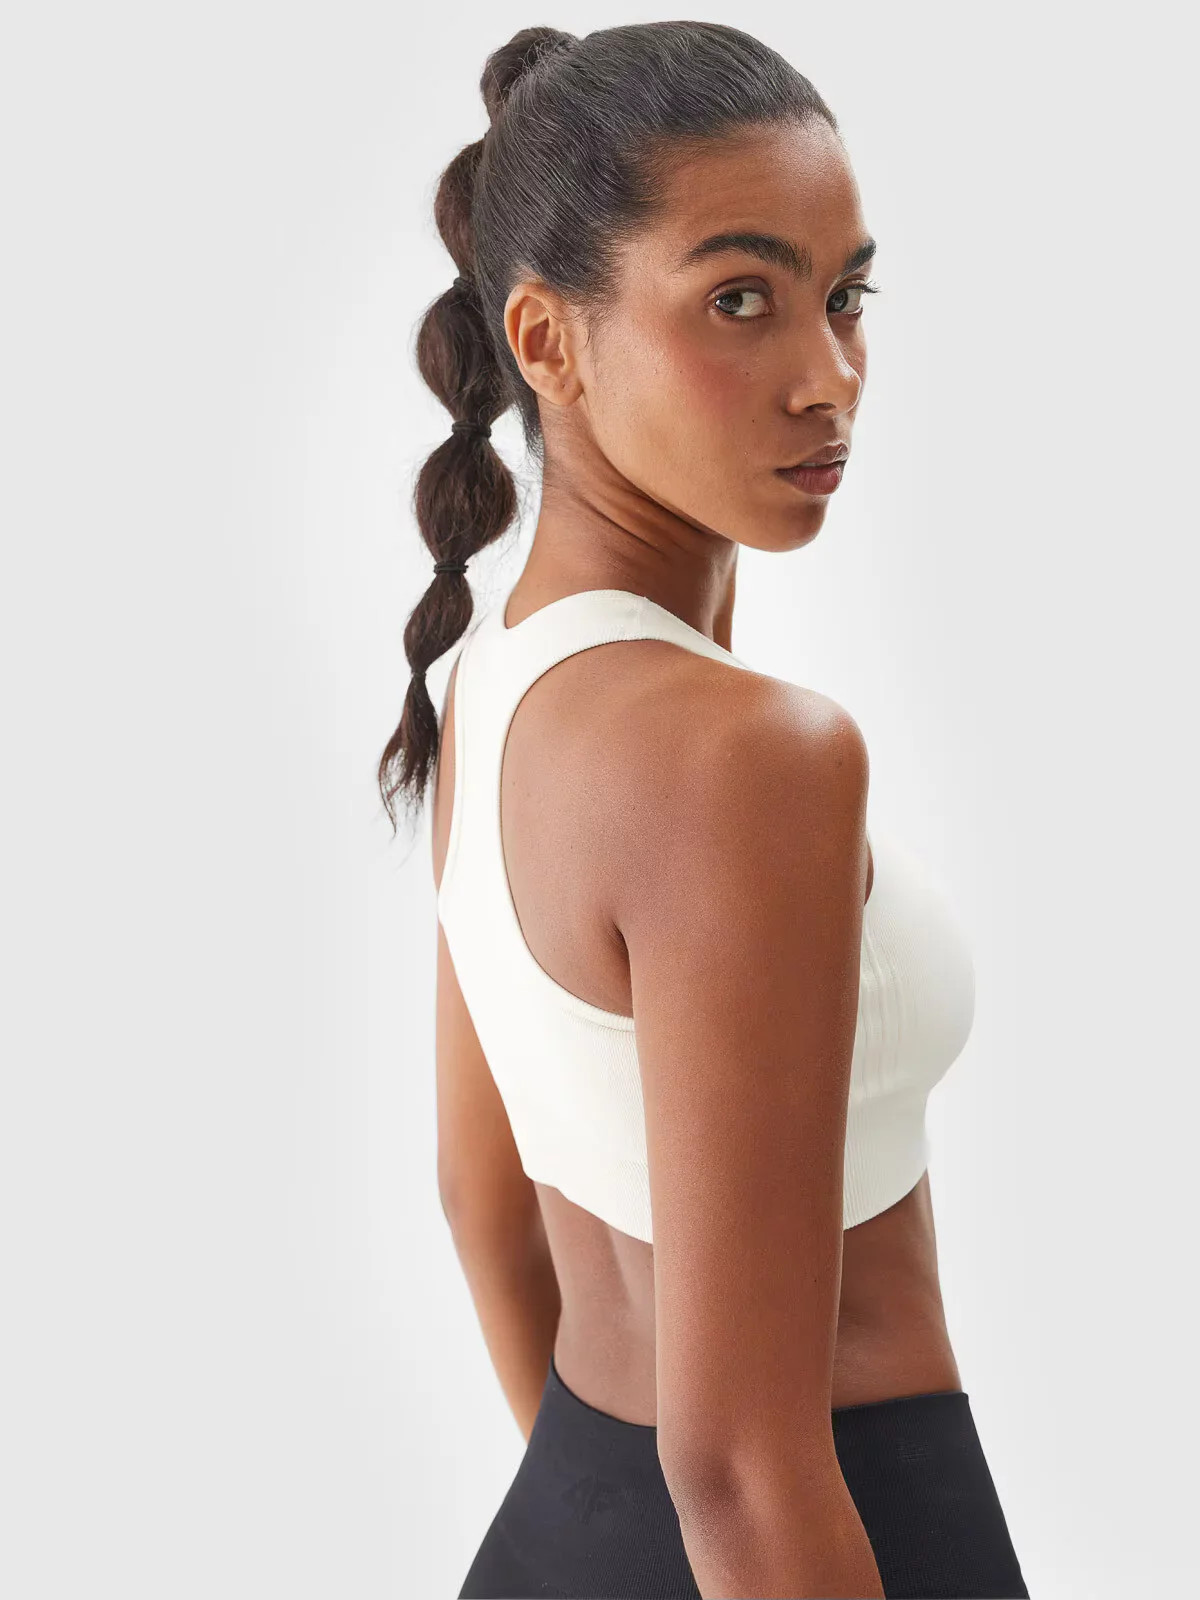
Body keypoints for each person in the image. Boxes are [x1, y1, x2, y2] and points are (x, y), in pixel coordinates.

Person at [379, 21, 1029, 1600]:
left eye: (845, 296)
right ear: (547, 342)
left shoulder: (493, 677)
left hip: (571, 1529)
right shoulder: (746, 759)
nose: (828, 377)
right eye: (740, 300)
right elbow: (739, 1464)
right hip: (832, 1534)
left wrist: (606, 1545)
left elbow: (483, 1205)